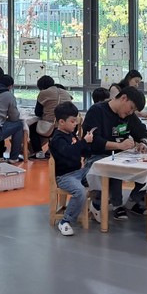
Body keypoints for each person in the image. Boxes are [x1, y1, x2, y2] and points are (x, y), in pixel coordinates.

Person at [83, 86, 147, 220]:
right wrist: (119, 145)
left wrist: (143, 142)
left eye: (134, 110)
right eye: (131, 108)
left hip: (121, 156)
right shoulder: (97, 111)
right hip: (98, 155)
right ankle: (102, 204)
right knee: (109, 170)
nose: (131, 112)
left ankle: (132, 201)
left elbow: (142, 132)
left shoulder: (129, 116)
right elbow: (93, 141)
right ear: (123, 98)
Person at [50, 101, 95, 236]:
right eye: (72, 121)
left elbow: (81, 152)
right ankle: (65, 221)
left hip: (78, 172)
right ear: (61, 122)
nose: (75, 124)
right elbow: (69, 152)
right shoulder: (57, 139)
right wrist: (84, 142)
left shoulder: (71, 134)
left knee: (98, 174)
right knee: (80, 191)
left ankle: (96, 206)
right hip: (64, 176)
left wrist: (88, 144)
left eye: (76, 121)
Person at [31, 75, 73, 159]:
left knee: (32, 128)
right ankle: (50, 151)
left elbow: (38, 112)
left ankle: (38, 152)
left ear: (41, 87)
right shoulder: (65, 92)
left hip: (51, 126)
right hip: (66, 125)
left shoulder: (43, 93)